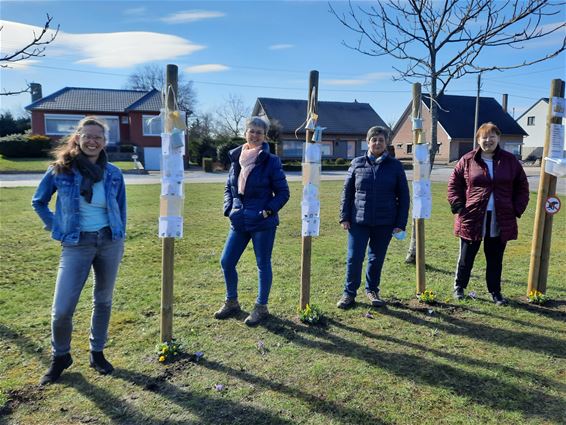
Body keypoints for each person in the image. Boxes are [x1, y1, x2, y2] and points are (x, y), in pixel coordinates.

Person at [32, 116, 126, 384]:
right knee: (62, 309)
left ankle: (97, 352)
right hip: (76, 243)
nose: (92, 141)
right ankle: (60, 355)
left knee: (103, 300)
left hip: (109, 241)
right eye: (88, 136)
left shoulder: (114, 173)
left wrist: (119, 237)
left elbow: (120, 209)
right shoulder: (60, 170)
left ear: (104, 142)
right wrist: (56, 227)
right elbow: (38, 202)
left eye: (98, 137)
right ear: (78, 138)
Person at [215, 116, 290, 326]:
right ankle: (231, 302)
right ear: (245, 132)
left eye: (259, 132)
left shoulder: (271, 161)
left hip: (262, 222)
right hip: (239, 219)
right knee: (226, 261)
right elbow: (229, 187)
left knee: (262, 264)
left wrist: (267, 211)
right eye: (252, 131)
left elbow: (283, 193)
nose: (255, 135)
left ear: (265, 136)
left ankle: (261, 307)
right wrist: (229, 209)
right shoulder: (236, 158)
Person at [447, 122, 529, 305]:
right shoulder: (467, 160)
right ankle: (459, 287)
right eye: (484, 137)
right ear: (478, 139)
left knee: (495, 258)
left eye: (492, 136)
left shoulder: (510, 161)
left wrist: (517, 208)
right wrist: (458, 205)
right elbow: (454, 184)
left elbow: (522, 186)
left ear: (499, 138)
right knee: (466, 256)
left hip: (500, 217)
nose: (488, 140)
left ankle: (495, 292)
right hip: (472, 216)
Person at [337, 126, 410, 309]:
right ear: (368, 142)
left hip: (384, 223)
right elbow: (347, 192)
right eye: (374, 139)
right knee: (354, 258)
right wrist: (344, 216)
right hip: (358, 221)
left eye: (381, 140)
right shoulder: (357, 163)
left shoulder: (395, 166)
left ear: (386, 143)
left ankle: (372, 290)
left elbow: (404, 196)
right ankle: (349, 293)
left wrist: (400, 223)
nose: (377, 143)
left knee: (376, 258)